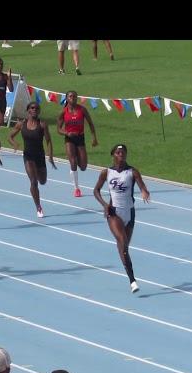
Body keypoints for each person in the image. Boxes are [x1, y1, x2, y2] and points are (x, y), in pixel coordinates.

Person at [93, 144, 150, 293]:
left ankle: (130, 277)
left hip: (129, 213)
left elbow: (142, 186)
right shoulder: (106, 172)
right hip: (114, 213)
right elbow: (96, 190)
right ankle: (132, 280)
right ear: (113, 155)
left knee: (124, 249)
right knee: (123, 242)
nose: (121, 155)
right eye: (118, 153)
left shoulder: (132, 172)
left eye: (123, 153)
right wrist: (105, 205)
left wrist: (144, 191)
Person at [8, 102, 57, 218]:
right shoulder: (21, 124)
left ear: (39, 111)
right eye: (32, 108)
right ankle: (38, 207)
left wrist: (50, 156)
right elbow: (10, 136)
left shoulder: (42, 125)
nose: (34, 110)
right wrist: (15, 144)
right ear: (28, 110)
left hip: (40, 156)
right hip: (28, 156)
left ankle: (39, 184)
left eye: (36, 108)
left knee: (43, 181)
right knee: (33, 182)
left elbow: (48, 141)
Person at [56, 90, 98, 197]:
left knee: (83, 166)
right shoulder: (63, 112)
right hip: (69, 139)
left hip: (80, 138)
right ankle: (76, 188)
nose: (73, 98)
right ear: (66, 98)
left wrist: (94, 138)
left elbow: (91, 124)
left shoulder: (82, 110)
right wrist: (67, 133)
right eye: (70, 96)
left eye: (74, 96)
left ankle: (77, 158)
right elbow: (58, 129)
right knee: (73, 162)